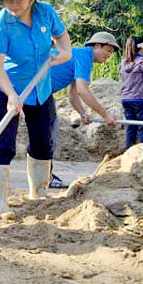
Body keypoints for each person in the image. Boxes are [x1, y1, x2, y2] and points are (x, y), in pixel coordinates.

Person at [0, 0, 72, 218]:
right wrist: (11, 95)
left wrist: (62, 54)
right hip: (6, 87)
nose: (12, 3)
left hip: (40, 87)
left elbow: (64, 41)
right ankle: (0, 202)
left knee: (43, 141)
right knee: (3, 143)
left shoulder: (46, 14)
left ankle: (38, 194)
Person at [47, 31, 120, 187]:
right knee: (47, 135)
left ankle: (45, 176)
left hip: (42, 93)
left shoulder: (79, 55)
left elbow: (72, 93)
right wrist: (105, 115)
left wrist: (82, 112)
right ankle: (45, 178)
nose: (109, 55)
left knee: (48, 132)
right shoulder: (85, 56)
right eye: (108, 50)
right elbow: (82, 90)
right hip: (35, 90)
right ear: (97, 46)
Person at [119, 36, 143, 149]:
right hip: (141, 99)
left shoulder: (123, 63)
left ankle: (128, 152)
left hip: (126, 99)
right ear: (141, 49)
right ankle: (142, 153)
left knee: (131, 128)